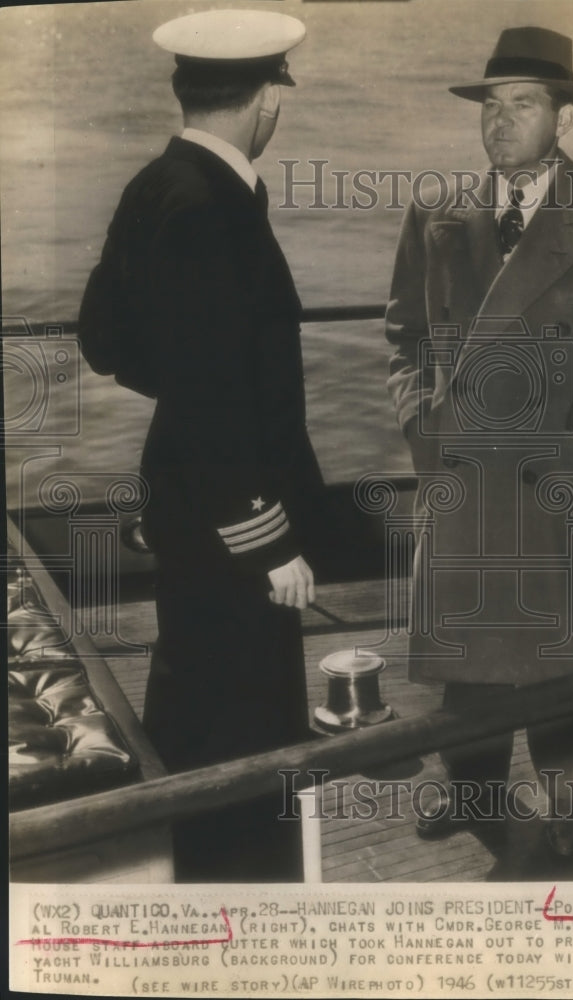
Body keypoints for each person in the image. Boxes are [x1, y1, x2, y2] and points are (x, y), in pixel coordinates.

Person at [385, 26, 573, 858]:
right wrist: (420, 418)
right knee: (470, 662)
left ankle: (568, 807)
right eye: (491, 106)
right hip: (462, 475)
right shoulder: (437, 211)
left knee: (568, 663)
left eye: (523, 103)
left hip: (566, 475)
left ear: (565, 119)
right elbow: (405, 334)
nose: (500, 122)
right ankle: (476, 793)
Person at [79, 9, 323, 880]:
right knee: (250, 724)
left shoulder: (156, 183)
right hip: (233, 521)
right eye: (276, 96)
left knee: (191, 697)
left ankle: (193, 875)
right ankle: (244, 897)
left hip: (183, 501)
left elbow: (104, 339)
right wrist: (272, 538)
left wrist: (182, 382)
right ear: (264, 100)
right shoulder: (211, 205)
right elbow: (219, 391)